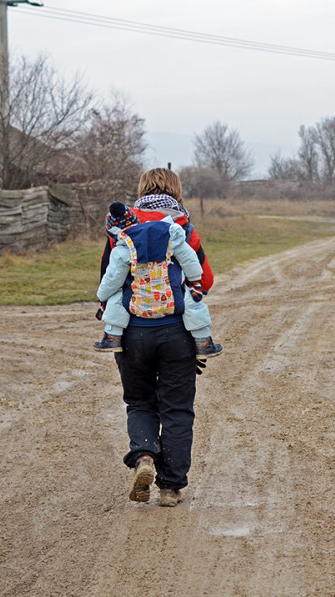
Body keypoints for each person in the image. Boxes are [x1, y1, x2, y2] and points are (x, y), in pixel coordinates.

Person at [104, 168, 219, 507]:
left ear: (141, 190)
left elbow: (106, 278)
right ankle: (170, 487)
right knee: (177, 409)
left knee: (139, 401)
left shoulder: (121, 227)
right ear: (176, 191)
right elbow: (205, 280)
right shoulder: (183, 227)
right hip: (177, 332)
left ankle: (143, 457)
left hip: (133, 332)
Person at [93, 201, 223, 359]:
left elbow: (113, 280)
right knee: (193, 303)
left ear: (114, 231)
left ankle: (112, 337)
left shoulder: (123, 250)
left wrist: (102, 296)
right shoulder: (170, 234)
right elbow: (189, 258)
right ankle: (203, 342)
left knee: (116, 298)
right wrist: (195, 280)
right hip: (172, 297)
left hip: (138, 301)